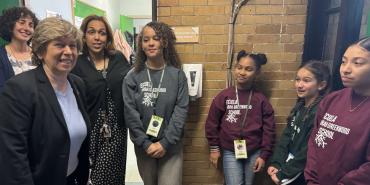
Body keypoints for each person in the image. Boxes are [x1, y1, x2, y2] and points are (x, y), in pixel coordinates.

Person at [0, 17, 89, 185]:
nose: (69, 51)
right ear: (41, 51)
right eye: (60, 45)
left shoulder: (77, 84)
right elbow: (13, 155)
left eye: (73, 45)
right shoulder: (20, 88)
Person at [122, 21, 189, 185]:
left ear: (164, 42)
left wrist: (165, 143)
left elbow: (181, 111)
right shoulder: (132, 77)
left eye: (156, 38)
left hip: (171, 147)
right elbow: (130, 114)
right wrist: (145, 143)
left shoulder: (178, 76)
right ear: (141, 44)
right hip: (144, 147)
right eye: (146, 40)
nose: (150, 43)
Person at [71, 15, 131, 185]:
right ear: (84, 36)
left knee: (113, 173)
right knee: (89, 173)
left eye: (102, 33)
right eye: (92, 32)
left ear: (108, 37)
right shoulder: (77, 62)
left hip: (116, 126)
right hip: (89, 126)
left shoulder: (118, 58)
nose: (97, 37)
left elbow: (131, 85)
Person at [305, 37, 370, 185]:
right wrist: (311, 179)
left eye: (357, 63)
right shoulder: (331, 100)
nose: (346, 69)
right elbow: (315, 142)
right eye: (343, 61)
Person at [205, 50, 276, 185]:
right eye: (239, 67)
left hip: (255, 151)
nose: (242, 72)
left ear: (257, 73)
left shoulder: (260, 99)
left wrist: (264, 155)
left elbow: (269, 130)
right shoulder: (224, 96)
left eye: (248, 69)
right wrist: (214, 148)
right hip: (230, 151)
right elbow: (211, 123)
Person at [267, 61, 331, 185]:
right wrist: (277, 162)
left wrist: (284, 172)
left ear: (321, 85)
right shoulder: (300, 106)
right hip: (288, 165)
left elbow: (308, 150)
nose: (299, 85)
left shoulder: (321, 112)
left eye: (306, 81)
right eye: (297, 79)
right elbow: (286, 137)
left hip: (302, 173)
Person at [0, 6, 38, 92]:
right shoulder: (1, 56)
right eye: (22, 22)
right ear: (10, 25)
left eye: (31, 25)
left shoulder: (39, 54)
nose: (27, 28)